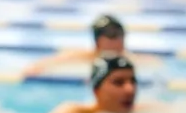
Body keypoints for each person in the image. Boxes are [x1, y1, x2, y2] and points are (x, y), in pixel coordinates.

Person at [30, 55, 164, 113]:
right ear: (97, 90)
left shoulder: (147, 110)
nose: (130, 89)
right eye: (119, 82)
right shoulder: (76, 111)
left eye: (133, 81)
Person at [23, 15, 157, 76]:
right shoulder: (83, 56)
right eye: (111, 37)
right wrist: (36, 68)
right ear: (98, 41)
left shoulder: (132, 60)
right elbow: (47, 62)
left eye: (119, 36)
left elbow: (155, 65)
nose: (117, 41)